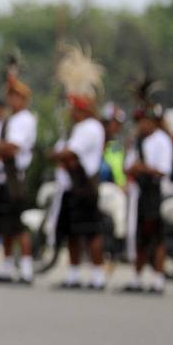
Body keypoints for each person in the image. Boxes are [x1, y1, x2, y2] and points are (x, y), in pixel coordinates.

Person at [0, 76, 38, 285]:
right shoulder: (13, 119)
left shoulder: (25, 119)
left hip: (14, 179)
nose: (10, 101)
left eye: (14, 97)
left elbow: (12, 148)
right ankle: (7, 266)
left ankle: (27, 269)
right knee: (4, 227)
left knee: (17, 226)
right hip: (3, 178)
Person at [51, 94, 107, 291]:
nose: (71, 112)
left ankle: (98, 276)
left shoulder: (90, 127)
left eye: (73, 109)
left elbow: (70, 153)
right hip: (71, 187)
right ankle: (73, 275)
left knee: (91, 231)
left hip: (85, 186)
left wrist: (53, 155)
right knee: (72, 233)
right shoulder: (76, 128)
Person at [123, 105, 173, 295]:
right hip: (139, 194)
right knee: (140, 237)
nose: (142, 125)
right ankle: (136, 278)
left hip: (156, 193)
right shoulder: (137, 141)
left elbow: (164, 170)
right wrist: (133, 169)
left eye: (145, 121)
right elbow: (127, 167)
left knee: (157, 238)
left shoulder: (162, 140)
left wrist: (142, 168)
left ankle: (159, 279)